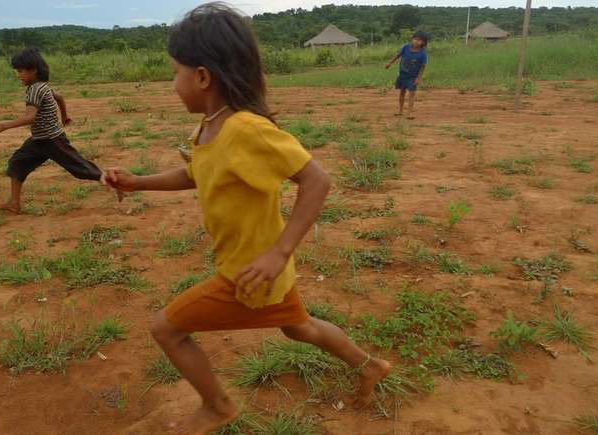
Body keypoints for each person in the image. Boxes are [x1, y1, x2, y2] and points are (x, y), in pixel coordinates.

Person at [105, 3, 391, 434]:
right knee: (300, 327)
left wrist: (279, 253)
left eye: (176, 73)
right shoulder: (208, 127)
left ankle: (217, 406)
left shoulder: (246, 129)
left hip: (249, 274)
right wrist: (137, 182)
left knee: (166, 329)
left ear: (202, 77)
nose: (173, 84)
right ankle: (370, 365)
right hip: (261, 269)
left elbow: (317, 180)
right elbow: (195, 173)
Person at [0, 48, 103, 213]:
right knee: (17, 163)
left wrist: (3, 126)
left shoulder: (35, 90)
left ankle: (118, 182)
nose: (18, 75)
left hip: (52, 140)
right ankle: (14, 203)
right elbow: (60, 98)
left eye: (20, 71)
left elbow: (30, 117)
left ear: (33, 70)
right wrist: (64, 117)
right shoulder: (42, 86)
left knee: (82, 169)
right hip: (39, 140)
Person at [386, 31, 429, 119]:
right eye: (415, 39)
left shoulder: (423, 54)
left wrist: (418, 78)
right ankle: (400, 111)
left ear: (423, 43)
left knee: (412, 94)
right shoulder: (405, 47)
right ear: (412, 39)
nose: (416, 41)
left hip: (412, 77)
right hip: (402, 75)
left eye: (419, 40)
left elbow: (422, 67)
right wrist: (390, 63)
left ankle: (409, 113)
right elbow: (398, 55)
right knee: (402, 92)